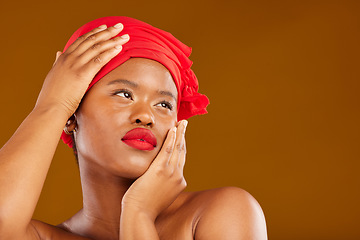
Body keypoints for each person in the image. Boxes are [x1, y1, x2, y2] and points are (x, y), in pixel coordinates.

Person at [0, 16, 267, 240]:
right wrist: (53, 104)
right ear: (72, 116)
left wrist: (137, 213)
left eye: (164, 104)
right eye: (124, 94)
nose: (146, 116)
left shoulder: (220, 213)